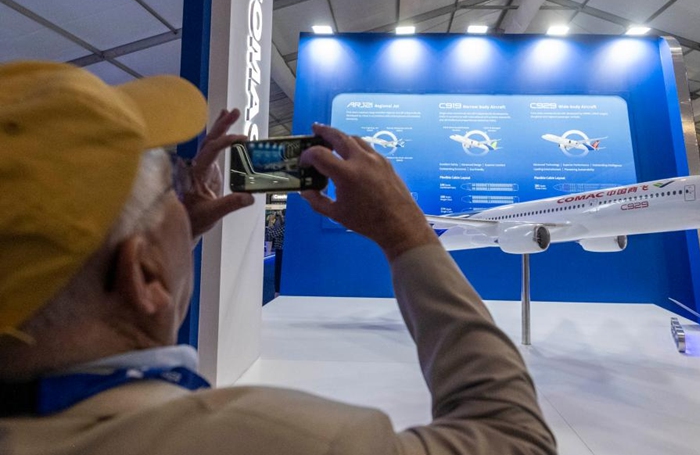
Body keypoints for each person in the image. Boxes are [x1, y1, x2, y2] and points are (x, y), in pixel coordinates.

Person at [0, 61, 557, 454]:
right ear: (142, 275)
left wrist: (171, 239)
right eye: (168, 187)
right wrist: (406, 231)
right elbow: (515, 438)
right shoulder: (285, 440)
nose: (182, 190)